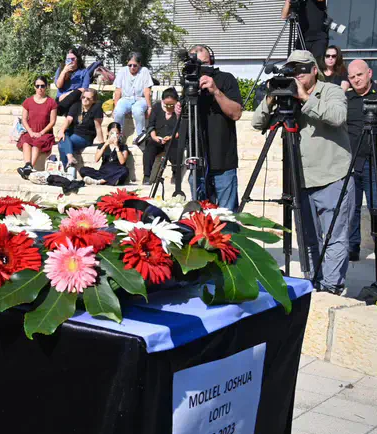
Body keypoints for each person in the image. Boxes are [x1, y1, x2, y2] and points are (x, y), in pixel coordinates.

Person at [252, 50, 353, 295]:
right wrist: (270, 98)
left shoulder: (331, 91)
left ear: (314, 70)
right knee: (308, 238)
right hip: (300, 180)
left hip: (331, 175)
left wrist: (305, 96)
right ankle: (313, 281)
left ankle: (331, 287)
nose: (298, 75)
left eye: (303, 70)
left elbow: (338, 116)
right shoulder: (286, 95)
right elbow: (257, 123)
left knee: (334, 237)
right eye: (293, 70)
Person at [187, 44, 243, 211]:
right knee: (198, 219)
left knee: (227, 219)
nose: (201, 69)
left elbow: (237, 113)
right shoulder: (189, 81)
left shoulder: (226, 79)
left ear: (210, 60)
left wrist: (215, 91)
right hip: (196, 162)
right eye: (196, 64)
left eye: (203, 63)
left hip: (223, 161)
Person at [345, 60, 377, 266]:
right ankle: (353, 247)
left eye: (359, 75)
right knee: (351, 209)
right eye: (352, 77)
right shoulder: (346, 98)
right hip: (351, 163)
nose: (356, 80)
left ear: (370, 73)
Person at [16, 76, 58, 179]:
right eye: (37, 86)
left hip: (45, 133)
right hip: (31, 131)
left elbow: (52, 122)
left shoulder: (51, 102)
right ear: (34, 87)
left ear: (46, 87)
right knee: (26, 141)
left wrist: (41, 133)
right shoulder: (28, 102)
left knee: (37, 143)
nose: (40, 88)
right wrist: (30, 132)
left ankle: (28, 168)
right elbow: (24, 119)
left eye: (42, 86)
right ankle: (28, 166)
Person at [56, 89, 104, 169]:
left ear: (94, 100)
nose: (85, 100)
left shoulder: (96, 108)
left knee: (62, 144)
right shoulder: (76, 105)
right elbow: (68, 119)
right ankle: (70, 159)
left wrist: (102, 143)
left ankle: (67, 169)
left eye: (88, 98)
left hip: (85, 136)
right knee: (63, 136)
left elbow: (98, 126)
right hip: (72, 132)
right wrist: (61, 130)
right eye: (83, 97)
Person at [112, 52, 152, 146]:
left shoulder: (144, 71)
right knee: (118, 111)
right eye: (130, 65)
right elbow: (118, 90)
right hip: (125, 98)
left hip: (140, 98)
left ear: (139, 64)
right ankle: (118, 135)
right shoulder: (122, 71)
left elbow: (147, 90)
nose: (132, 67)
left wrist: (149, 107)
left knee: (137, 111)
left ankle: (141, 136)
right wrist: (115, 105)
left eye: (135, 65)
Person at [144, 88, 180, 185]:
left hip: (173, 138)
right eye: (166, 104)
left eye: (171, 104)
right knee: (150, 145)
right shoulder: (157, 107)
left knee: (174, 146)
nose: (168, 107)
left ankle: (176, 174)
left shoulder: (180, 110)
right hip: (158, 138)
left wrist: (171, 137)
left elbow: (182, 129)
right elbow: (151, 125)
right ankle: (147, 176)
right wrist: (155, 137)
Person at [54, 48, 102, 116]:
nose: (70, 61)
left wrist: (68, 94)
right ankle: (60, 111)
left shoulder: (84, 72)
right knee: (74, 106)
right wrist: (64, 71)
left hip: (75, 98)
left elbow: (84, 89)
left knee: (76, 95)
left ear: (77, 59)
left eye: (73, 59)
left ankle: (60, 111)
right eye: (68, 59)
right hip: (61, 99)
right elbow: (58, 85)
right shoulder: (60, 69)